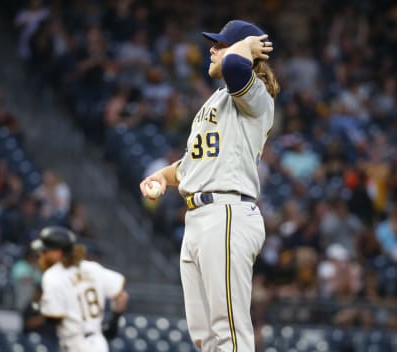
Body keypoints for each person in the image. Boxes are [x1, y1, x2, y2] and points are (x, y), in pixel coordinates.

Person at [140, 19, 279, 351]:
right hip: (200, 218)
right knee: (205, 337)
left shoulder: (256, 96)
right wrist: (162, 176)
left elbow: (233, 64)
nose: (212, 49)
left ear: (247, 51)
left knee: (229, 330)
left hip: (227, 212)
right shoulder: (217, 101)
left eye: (221, 44)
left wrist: (243, 48)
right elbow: (189, 164)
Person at [31, 226, 128, 352]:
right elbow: (122, 296)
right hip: (98, 343)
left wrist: (39, 308)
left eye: (45, 251)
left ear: (58, 253)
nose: (41, 255)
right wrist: (113, 324)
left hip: (76, 344)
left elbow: (53, 317)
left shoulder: (53, 275)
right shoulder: (92, 268)